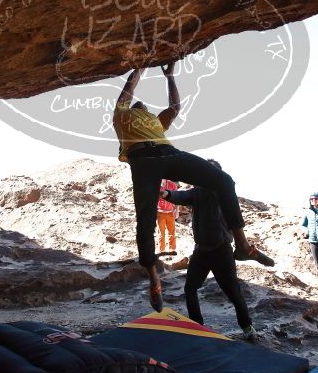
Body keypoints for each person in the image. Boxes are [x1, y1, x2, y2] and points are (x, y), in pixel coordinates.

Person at [113, 62, 273, 313]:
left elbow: (175, 108)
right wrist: (141, 68)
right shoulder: (121, 114)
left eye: (143, 105)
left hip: (168, 153)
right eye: (138, 104)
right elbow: (129, 90)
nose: (141, 104)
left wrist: (170, 76)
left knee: (223, 181)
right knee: (145, 222)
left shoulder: (156, 122)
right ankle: (154, 279)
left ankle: (242, 246)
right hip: (143, 161)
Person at [161, 159, 260, 341]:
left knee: (233, 293)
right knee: (190, 287)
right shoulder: (197, 192)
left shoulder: (223, 192)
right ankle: (197, 325)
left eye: (209, 172)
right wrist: (167, 193)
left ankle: (247, 328)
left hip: (221, 250)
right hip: (201, 251)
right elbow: (180, 196)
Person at [157, 179, 178, 254]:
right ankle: (162, 251)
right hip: (160, 213)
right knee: (161, 233)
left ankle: (172, 249)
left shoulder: (172, 185)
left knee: (172, 232)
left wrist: (177, 210)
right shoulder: (156, 184)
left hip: (170, 212)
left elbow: (177, 198)